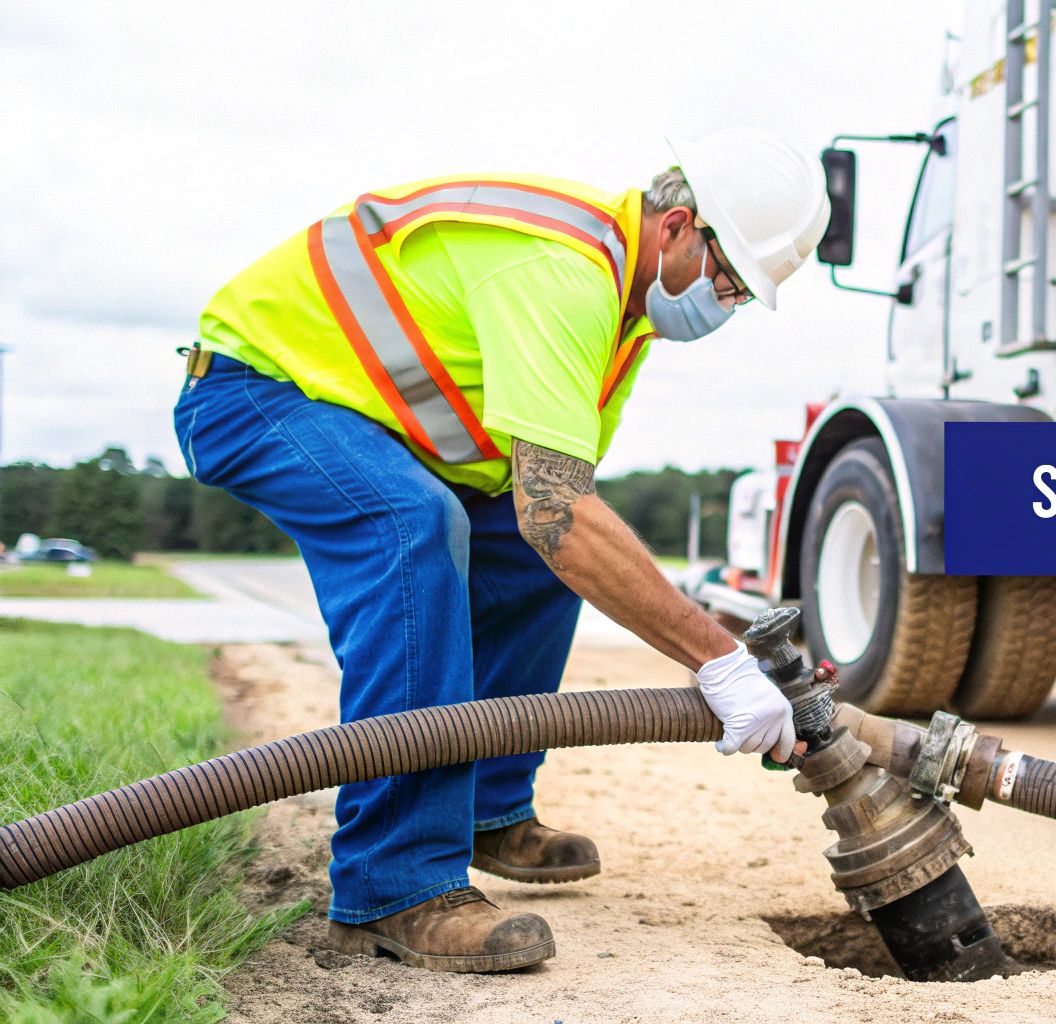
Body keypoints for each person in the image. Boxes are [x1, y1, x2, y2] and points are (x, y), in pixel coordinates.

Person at [172, 129, 830, 973]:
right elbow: (561, 509)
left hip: (356, 414)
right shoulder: (562, 272)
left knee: (531, 557)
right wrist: (720, 660)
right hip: (250, 388)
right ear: (676, 226)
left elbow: (545, 517)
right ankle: (395, 884)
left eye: (741, 295)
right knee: (413, 530)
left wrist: (711, 652)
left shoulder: (620, 320)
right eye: (728, 277)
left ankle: (486, 806)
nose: (724, 304)